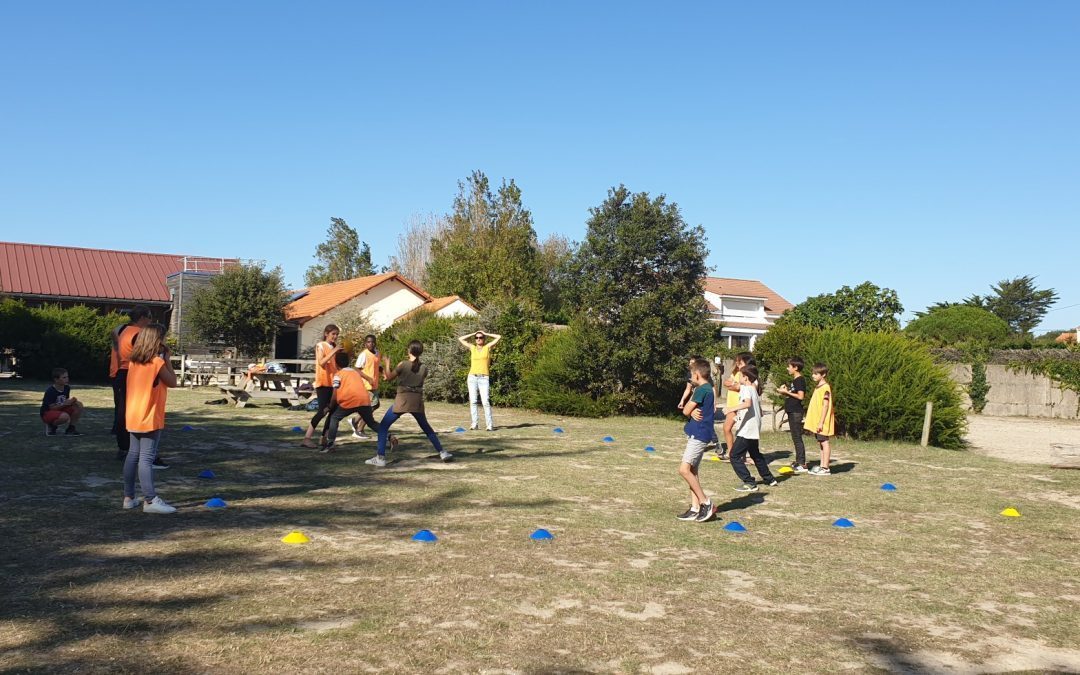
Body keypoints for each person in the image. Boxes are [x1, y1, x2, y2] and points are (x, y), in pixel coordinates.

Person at [367, 340, 450, 467]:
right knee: (426, 428)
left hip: (402, 400)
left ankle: (380, 457)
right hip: (416, 401)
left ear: (409, 350)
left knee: (383, 427)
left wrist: (387, 363)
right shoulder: (424, 368)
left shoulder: (403, 364)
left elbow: (388, 377)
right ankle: (442, 452)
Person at [123, 323, 178, 514]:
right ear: (157, 341)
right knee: (146, 458)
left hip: (133, 414)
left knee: (133, 455)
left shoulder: (134, 362)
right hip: (149, 415)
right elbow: (173, 382)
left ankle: (129, 497)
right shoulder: (157, 362)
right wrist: (168, 359)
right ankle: (150, 499)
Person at [110, 306, 166, 466]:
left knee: (124, 411)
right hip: (132, 371)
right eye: (149, 317)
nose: (150, 320)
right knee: (140, 410)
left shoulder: (122, 329)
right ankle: (138, 451)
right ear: (142, 317)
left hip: (121, 372)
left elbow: (114, 333)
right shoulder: (138, 333)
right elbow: (145, 352)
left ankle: (125, 448)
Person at [675, 358, 717, 522]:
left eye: (691, 374)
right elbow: (694, 410)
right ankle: (695, 508)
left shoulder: (700, 390)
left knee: (684, 470)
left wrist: (689, 411)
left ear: (697, 375)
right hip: (702, 433)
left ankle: (705, 502)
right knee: (692, 471)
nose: (690, 377)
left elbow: (686, 410)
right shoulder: (708, 388)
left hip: (698, 435)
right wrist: (692, 412)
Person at [319, 351, 382, 453]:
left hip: (349, 401)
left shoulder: (338, 375)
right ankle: (390, 436)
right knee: (371, 423)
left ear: (335, 363)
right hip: (364, 400)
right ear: (348, 362)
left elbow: (335, 395)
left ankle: (330, 445)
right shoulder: (355, 372)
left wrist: (330, 406)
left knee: (334, 418)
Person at [727, 364, 778, 492]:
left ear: (746, 378)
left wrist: (731, 409)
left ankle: (749, 482)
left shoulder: (746, 388)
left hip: (747, 430)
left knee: (733, 455)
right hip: (752, 427)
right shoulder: (753, 389)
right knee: (755, 454)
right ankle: (769, 479)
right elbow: (756, 410)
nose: (739, 377)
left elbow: (747, 404)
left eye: (740, 375)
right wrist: (737, 418)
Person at [301, 324, 342, 449]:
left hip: (333, 383)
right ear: (326, 334)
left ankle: (324, 437)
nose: (335, 337)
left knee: (333, 411)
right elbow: (321, 362)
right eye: (333, 334)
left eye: (336, 334)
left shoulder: (334, 347)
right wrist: (334, 351)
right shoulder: (321, 345)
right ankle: (307, 438)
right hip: (323, 383)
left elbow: (336, 366)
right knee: (323, 411)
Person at [458, 330, 501, 431]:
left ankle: (489, 425)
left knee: (485, 401)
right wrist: (473, 334)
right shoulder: (472, 348)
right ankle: (474, 424)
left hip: (484, 377)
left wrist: (486, 333)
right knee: (473, 401)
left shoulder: (487, 347)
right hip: (472, 377)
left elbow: (498, 337)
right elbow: (460, 339)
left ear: (484, 339)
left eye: (480, 337)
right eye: (476, 338)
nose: (478, 339)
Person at [721, 352, 755, 462]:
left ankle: (739, 455)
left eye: (739, 362)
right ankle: (732, 453)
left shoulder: (749, 374)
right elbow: (727, 383)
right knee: (727, 428)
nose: (737, 363)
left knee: (740, 431)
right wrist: (733, 385)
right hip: (731, 404)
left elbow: (738, 387)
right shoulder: (737, 372)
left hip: (739, 406)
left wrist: (734, 385)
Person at [776, 357, 808, 473]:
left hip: (796, 412)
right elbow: (793, 394)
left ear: (796, 367)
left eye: (789, 366)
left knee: (797, 437)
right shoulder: (795, 380)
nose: (787, 368)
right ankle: (798, 461)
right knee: (795, 437)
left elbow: (800, 396)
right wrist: (785, 392)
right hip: (791, 411)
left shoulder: (800, 380)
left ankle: (802, 463)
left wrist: (786, 392)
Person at [804, 363, 836, 475]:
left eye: (816, 373)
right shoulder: (818, 387)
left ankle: (826, 468)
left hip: (822, 422)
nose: (813, 375)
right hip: (818, 421)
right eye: (813, 373)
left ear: (823, 375)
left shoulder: (825, 388)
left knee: (825, 442)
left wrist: (821, 422)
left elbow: (825, 405)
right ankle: (822, 465)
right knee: (821, 442)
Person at [348, 334, 382, 439]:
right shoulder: (364, 354)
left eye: (372, 342)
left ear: (375, 343)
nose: (370, 344)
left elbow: (377, 366)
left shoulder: (377, 353)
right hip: (366, 386)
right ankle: (359, 430)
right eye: (368, 342)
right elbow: (357, 369)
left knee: (375, 406)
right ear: (365, 343)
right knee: (371, 408)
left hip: (374, 385)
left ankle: (355, 421)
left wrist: (384, 372)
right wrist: (368, 378)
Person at [40, 368, 84, 436]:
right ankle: (51, 426)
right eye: (64, 377)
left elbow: (64, 400)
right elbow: (52, 408)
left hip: (60, 409)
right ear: (56, 379)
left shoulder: (67, 388)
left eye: (67, 377)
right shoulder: (50, 391)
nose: (67, 379)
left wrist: (71, 402)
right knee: (65, 417)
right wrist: (65, 404)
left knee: (78, 405)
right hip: (47, 412)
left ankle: (71, 428)